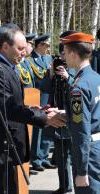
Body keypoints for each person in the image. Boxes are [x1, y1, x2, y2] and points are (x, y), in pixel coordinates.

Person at [0, 26, 66, 194]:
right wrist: (43, 119)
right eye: (20, 49)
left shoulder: (8, 68)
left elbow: (12, 104)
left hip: (6, 149)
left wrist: (37, 110)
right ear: (5, 46)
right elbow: (8, 108)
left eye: (25, 48)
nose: (24, 53)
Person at [62, 32, 100, 194]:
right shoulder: (97, 78)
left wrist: (81, 171)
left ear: (74, 53)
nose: (64, 57)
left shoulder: (79, 86)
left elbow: (82, 131)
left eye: (66, 52)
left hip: (89, 152)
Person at [49, 30, 77, 194]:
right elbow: (48, 90)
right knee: (60, 156)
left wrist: (68, 77)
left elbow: (81, 88)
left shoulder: (76, 69)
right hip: (58, 116)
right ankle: (64, 185)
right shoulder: (55, 69)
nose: (63, 58)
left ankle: (77, 186)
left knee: (74, 156)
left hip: (72, 117)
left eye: (65, 53)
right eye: (61, 53)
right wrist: (51, 75)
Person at [29, 34, 56, 171]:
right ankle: (36, 158)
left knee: (48, 127)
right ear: (39, 45)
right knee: (38, 129)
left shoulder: (48, 58)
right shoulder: (30, 60)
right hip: (38, 97)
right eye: (46, 45)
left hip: (49, 96)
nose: (48, 48)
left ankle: (44, 156)